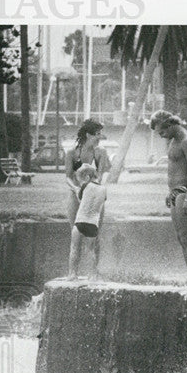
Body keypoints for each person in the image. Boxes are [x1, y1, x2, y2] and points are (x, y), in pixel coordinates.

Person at [150, 110, 187, 284]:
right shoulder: (174, 140)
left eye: (162, 132)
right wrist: (170, 192)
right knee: (181, 236)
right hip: (176, 192)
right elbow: (175, 168)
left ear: (170, 124)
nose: (162, 136)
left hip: (186, 192)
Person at [65, 119, 111, 278]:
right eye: (97, 134)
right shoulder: (72, 153)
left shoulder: (101, 152)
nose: (100, 137)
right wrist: (77, 189)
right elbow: (68, 177)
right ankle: (73, 273)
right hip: (76, 197)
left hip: (94, 198)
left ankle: (93, 272)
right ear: (88, 134)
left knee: (95, 235)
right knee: (75, 235)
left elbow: (103, 174)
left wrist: (98, 188)